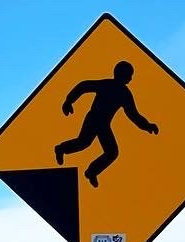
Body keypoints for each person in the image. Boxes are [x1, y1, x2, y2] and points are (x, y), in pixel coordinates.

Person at [53, 59, 160, 187]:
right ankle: (61, 149)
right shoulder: (108, 85)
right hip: (93, 119)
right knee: (84, 143)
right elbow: (84, 86)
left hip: (103, 124)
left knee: (111, 152)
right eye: (129, 75)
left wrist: (147, 126)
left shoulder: (125, 94)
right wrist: (69, 101)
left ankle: (91, 171)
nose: (131, 79)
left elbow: (133, 115)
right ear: (121, 74)